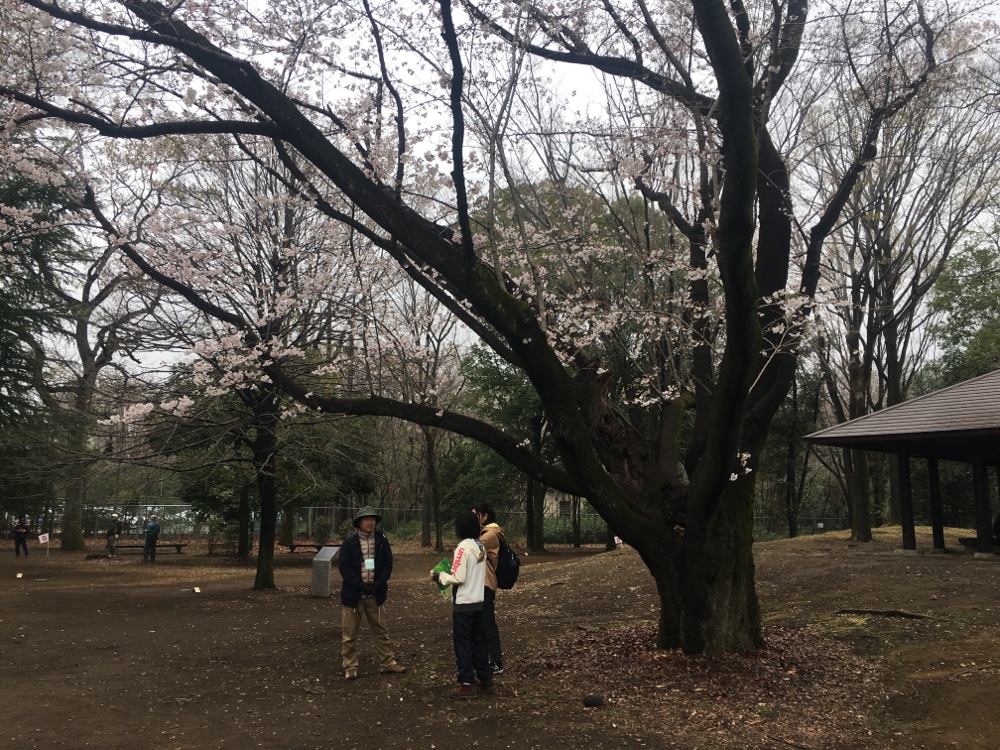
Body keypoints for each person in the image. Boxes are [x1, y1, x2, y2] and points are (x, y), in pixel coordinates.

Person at [337, 506, 406, 681]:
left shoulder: (382, 541)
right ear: (359, 522)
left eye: (373, 519)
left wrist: (378, 583)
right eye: (366, 519)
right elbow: (343, 567)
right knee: (349, 634)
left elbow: (388, 564)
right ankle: (350, 666)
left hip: (376, 594)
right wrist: (359, 584)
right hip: (353, 596)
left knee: (381, 631)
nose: (370, 522)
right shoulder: (349, 543)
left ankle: (387, 662)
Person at [430, 510, 492, 698]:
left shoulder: (462, 548)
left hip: (464, 604)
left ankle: (466, 683)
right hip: (478, 602)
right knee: (477, 641)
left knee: (462, 644)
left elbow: (458, 577)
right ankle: (485, 676)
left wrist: (439, 576)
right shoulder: (480, 546)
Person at [471, 502, 505, 675]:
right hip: (479, 582)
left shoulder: (490, 534)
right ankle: (484, 659)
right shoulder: (483, 533)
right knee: (480, 624)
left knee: (487, 623)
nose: (472, 518)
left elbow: (472, 551)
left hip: (486, 583)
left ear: (484, 516)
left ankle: (496, 662)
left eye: (475, 515)